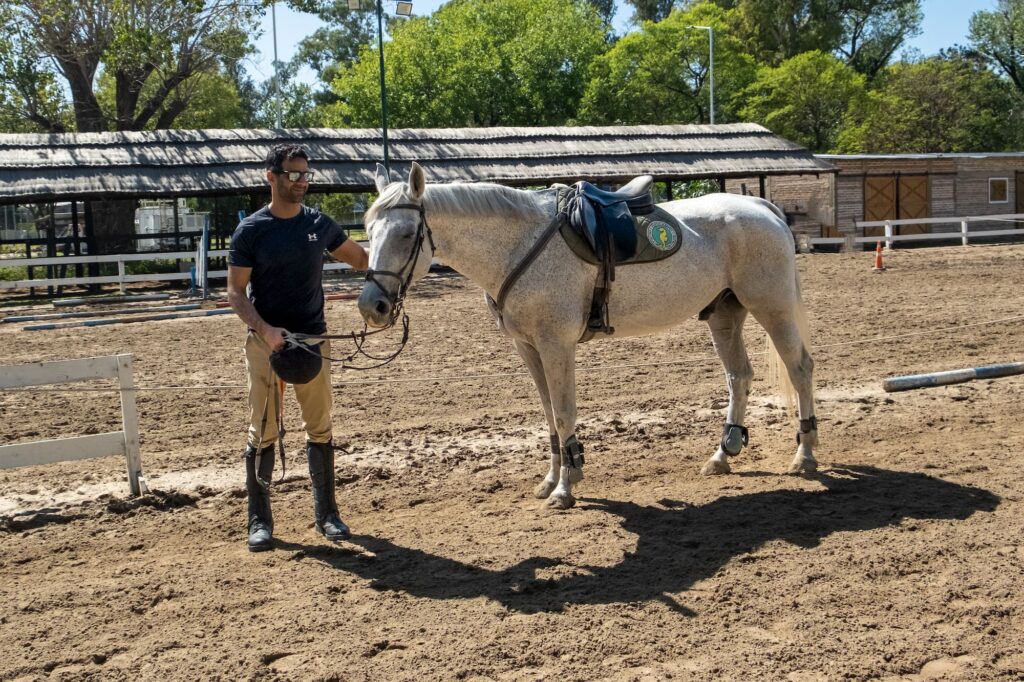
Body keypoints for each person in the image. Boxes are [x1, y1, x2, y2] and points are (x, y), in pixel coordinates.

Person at [227, 144, 369, 552]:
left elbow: (360, 259)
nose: (301, 181)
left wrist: (394, 240)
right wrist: (266, 329)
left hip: (313, 340)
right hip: (265, 342)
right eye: (292, 174)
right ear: (270, 177)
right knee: (263, 428)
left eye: (305, 174)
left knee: (320, 426)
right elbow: (236, 293)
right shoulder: (251, 231)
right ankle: (259, 521)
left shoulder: (319, 224)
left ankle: (327, 515)